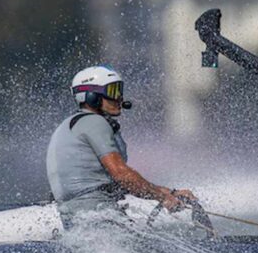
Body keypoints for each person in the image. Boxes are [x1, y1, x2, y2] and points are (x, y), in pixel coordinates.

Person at [46, 65, 196, 228]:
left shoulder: (71, 124)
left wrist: (168, 192)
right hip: (99, 214)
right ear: (90, 96)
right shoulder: (94, 122)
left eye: (119, 90)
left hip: (78, 220)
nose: (119, 98)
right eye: (112, 91)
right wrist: (162, 197)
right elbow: (121, 175)